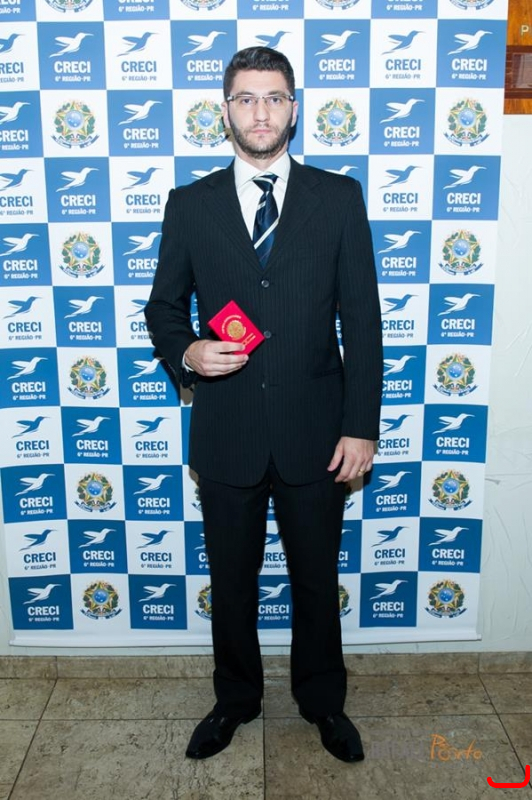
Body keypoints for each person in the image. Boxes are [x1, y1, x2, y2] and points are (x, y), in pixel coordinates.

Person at [144, 46, 383, 763]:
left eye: (274, 97)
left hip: (318, 433)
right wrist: (188, 352)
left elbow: (363, 322)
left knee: (315, 579)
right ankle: (235, 700)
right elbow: (163, 309)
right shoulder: (190, 204)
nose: (260, 112)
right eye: (246, 98)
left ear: (294, 108)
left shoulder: (338, 197)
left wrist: (361, 428)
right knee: (231, 581)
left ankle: (323, 702)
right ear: (226, 111)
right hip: (228, 431)